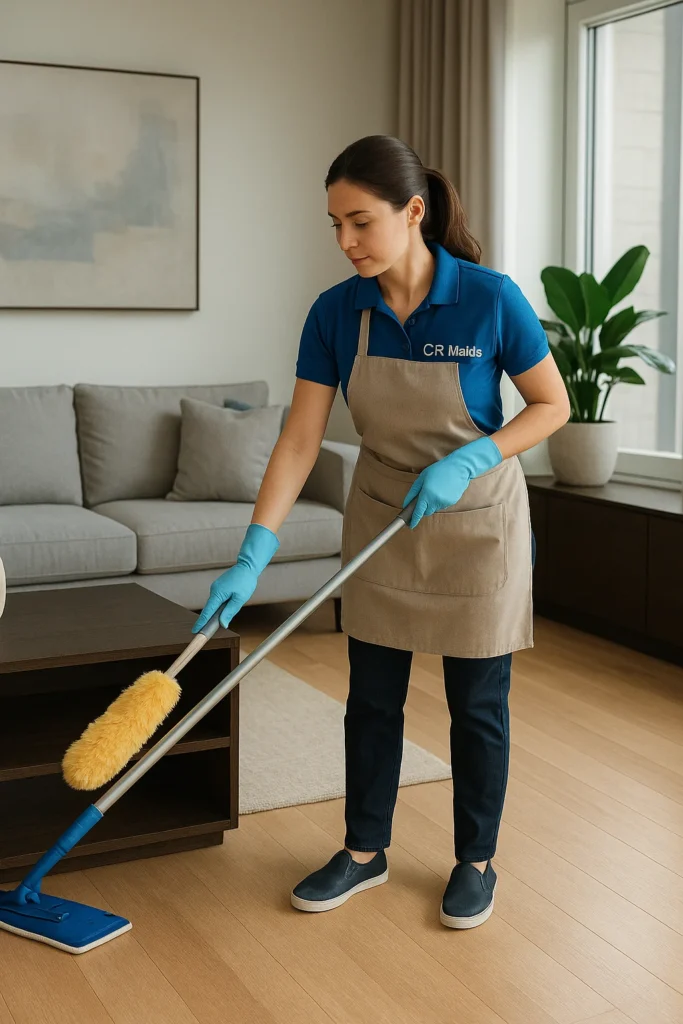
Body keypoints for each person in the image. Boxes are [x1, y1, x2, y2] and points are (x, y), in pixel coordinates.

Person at [193, 135, 570, 929]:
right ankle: (364, 851)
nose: (344, 243)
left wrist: (469, 459)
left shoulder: (488, 298)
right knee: (370, 701)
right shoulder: (336, 311)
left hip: (475, 524)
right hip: (382, 517)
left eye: (359, 222)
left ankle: (475, 861)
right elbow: (300, 438)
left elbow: (550, 406)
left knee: (476, 706)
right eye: (333, 225)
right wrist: (252, 553)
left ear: (413, 212)